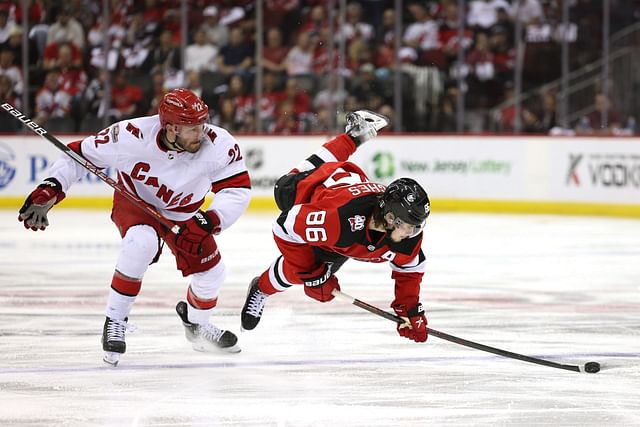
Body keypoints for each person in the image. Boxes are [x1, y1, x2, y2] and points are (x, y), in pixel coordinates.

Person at [17, 88, 251, 366]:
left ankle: (196, 324)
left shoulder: (218, 145)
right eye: (192, 128)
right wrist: (52, 187)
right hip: (136, 203)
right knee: (141, 243)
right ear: (171, 128)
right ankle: (115, 320)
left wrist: (210, 219)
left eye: (202, 125)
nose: (200, 133)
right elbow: (78, 157)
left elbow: (236, 190)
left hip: (184, 213)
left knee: (213, 274)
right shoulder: (129, 136)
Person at [240, 110, 430, 343]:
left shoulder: (405, 234)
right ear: (390, 218)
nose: (412, 234)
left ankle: (354, 136)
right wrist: (311, 272)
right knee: (302, 266)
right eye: (408, 226)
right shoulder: (336, 221)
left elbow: (410, 269)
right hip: (304, 192)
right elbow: (284, 226)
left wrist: (410, 310)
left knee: (316, 283)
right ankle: (261, 288)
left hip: (345, 187)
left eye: (416, 227)